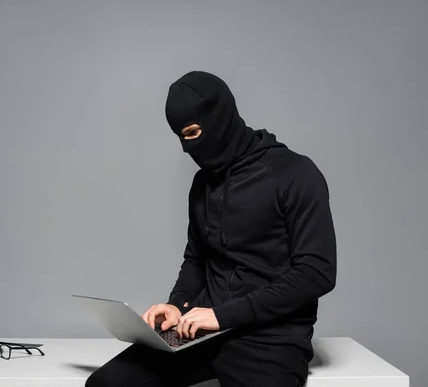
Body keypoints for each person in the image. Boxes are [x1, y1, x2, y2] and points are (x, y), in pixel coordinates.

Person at [85, 71, 337, 387]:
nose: (186, 148)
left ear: (220, 119)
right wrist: (177, 306)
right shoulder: (203, 183)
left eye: (192, 133)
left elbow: (317, 272)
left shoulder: (295, 174)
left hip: (271, 338)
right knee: (107, 384)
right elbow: (196, 259)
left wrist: (223, 316)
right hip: (199, 331)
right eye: (179, 136)